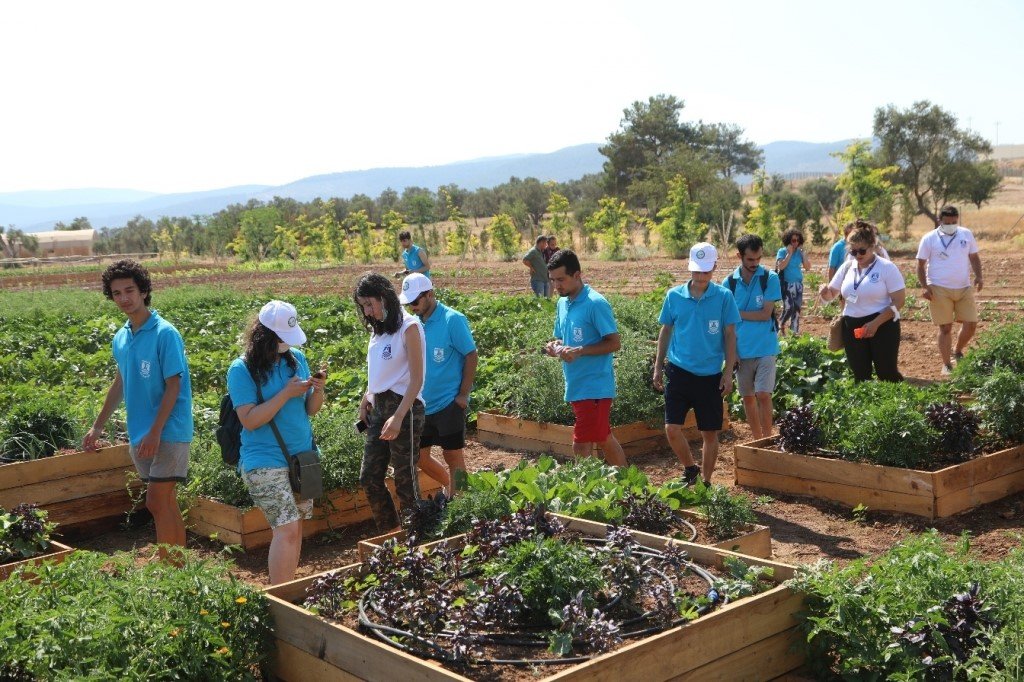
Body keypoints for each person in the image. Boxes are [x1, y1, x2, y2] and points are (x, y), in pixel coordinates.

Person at [83, 259, 192, 559]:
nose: (124, 298)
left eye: (129, 290)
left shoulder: (164, 333)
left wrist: (156, 432)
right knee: (164, 502)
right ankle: (177, 567)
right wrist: (97, 425)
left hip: (168, 429)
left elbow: (174, 386)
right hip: (140, 432)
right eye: (116, 293)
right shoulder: (121, 337)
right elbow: (120, 383)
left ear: (144, 291)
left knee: (156, 502)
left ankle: (171, 564)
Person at [226, 301, 325, 584]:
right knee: (287, 527)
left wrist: (318, 389)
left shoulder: (295, 358)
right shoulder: (241, 369)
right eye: (283, 339)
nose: (287, 345)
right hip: (263, 460)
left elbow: (310, 409)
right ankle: (280, 596)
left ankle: (287, 588)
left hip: (302, 456)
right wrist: (284, 393)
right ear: (265, 334)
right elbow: (249, 420)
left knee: (294, 529)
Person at [653, 243, 739, 486]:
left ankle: (707, 481)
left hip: (710, 374)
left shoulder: (724, 297)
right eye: (696, 271)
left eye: (705, 271)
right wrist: (659, 366)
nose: (700, 276)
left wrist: (728, 371)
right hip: (679, 371)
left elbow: (730, 335)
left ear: (713, 267)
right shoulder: (674, 296)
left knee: (709, 433)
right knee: (671, 428)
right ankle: (690, 468)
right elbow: (666, 330)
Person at [354, 273, 426, 531]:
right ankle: (391, 533)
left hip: (404, 407)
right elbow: (379, 372)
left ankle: (418, 537)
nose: (368, 311)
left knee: (404, 478)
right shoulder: (379, 331)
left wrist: (398, 417)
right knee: (369, 477)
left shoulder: (410, 327)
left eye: (370, 304)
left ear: (384, 298)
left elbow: (417, 379)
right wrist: (366, 397)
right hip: (379, 407)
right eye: (363, 306)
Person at [544, 249, 626, 466]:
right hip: (576, 385)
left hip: (595, 386)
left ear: (577, 275)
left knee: (581, 445)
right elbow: (561, 338)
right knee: (603, 438)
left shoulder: (595, 303)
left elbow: (614, 342)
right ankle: (629, 488)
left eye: (561, 279)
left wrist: (580, 351)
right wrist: (555, 346)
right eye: (552, 280)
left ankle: (589, 493)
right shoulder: (563, 303)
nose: (556, 286)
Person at [400, 273, 478, 492]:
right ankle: (450, 487)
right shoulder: (414, 325)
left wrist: (463, 394)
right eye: (408, 303)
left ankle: (461, 500)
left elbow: (471, 356)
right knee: (419, 457)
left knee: (452, 455)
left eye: (415, 301)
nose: (412, 307)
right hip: (423, 403)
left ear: (430, 294)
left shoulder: (452, 320)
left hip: (448, 402)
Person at [819, 221, 906, 382]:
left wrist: (876, 323)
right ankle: (868, 407)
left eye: (862, 251)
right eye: (853, 252)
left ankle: (896, 404)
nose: (857, 255)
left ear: (872, 246)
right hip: (852, 327)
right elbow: (831, 294)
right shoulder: (847, 267)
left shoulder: (886, 268)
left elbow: (899, 301)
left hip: (883, 325)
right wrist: (824, 292)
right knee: (860, 375)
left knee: (886, 373)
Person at [724, 234, 782, 440]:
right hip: (741, 350)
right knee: (747, 397)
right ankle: (758, 439)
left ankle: (768, 438)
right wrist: (732, 355)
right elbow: (726, 324)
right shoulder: (729, 283)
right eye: (750, 259)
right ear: (739, 256)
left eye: (758, 259)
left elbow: (765, 314)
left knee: (764, 395)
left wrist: (736, 313)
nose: (755, 264)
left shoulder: (770, 278)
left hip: (766, 347)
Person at [916, 205, 983, 375]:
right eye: (948, 222)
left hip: (963, 286)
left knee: (971, 324)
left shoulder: (966, 234)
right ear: (940, 221)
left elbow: (974, 257)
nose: (951, 225)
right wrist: (924, 286)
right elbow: (920, 264)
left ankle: (958, 350)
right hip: (938, 288)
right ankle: (947, 364)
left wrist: (979, 276)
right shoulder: (929, 238)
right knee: (945, 328)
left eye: (954, 222)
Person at [775, 228, 811, 335]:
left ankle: (794, 333)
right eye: (793, 240)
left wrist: (804, 255)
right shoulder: (782, 251)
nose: (796, 242)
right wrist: (789, 254)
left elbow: (807, 267)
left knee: (797, 310)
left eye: (798, 240)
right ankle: (780, 323)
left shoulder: (800, 253)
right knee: (789, 307)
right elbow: (781, 267)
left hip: (798, 284)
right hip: (786, 284)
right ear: (788, 240)